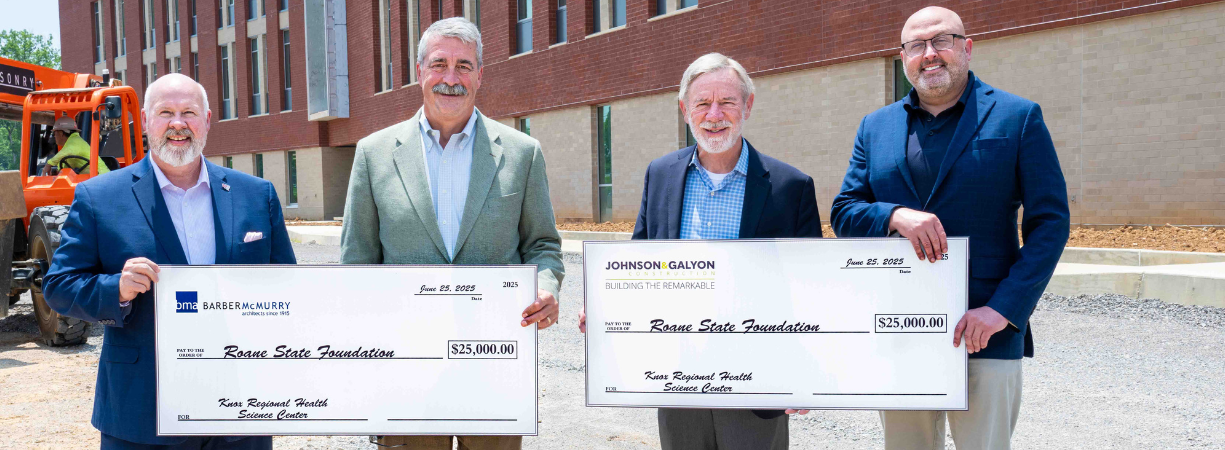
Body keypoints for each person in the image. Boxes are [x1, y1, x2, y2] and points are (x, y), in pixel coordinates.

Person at [830, 7, 1070, 450]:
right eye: (917, 46)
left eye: (941, 41)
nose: (930, 54)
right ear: (904, 58)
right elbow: (844, 211)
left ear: (967, 47)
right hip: (902, 327)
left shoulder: (1017, 117)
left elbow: (1051, 223)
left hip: (985, 331)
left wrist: (1004, 311)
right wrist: (893, 215)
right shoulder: (875, 127)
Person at [339, 17, 563, 450]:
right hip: (406, 367)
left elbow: (543, 244)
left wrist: (547, 286)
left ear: (480, 75)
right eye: (439, 64)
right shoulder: (373, 153)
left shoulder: (522, 153)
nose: (450, 78)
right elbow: (357, 263)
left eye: (464, 66)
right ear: (420, 72)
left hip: (496, 362)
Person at [579, 53, 821, 449]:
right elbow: (639, 262)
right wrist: (606, 304)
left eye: (727, 102)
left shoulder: (790, 186)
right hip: (678, 377)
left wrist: (801, 370)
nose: (714, 114)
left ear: (748, 106)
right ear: (684, 110)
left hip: (758, 383)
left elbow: (810, 289)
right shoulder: (660, 175)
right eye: (702, 103)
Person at [43, 73, 296, 450]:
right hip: (142, 413)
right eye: (165, 112)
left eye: (189, 112)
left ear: (207, 121)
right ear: (146, 121)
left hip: (239, 412)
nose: (178, 124)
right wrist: (117, 289)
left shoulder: (256, 195)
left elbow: (290, 290)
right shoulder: (99, 198)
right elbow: (60, 287)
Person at [47, 115, 112, 174]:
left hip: (100, 178)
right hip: (88, 179)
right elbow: (65, 165)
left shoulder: (75, 142)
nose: (54, 137)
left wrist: (49, 164)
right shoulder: (69, 146)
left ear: (61, 133)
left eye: (54, 134)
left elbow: (67, 151)